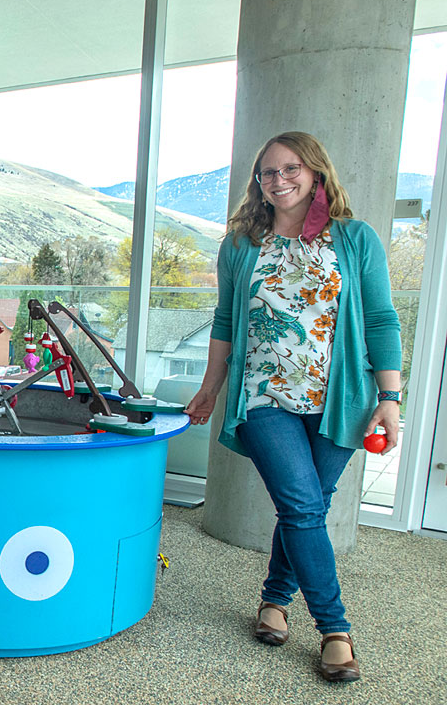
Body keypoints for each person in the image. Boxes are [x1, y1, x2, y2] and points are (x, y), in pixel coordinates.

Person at [184, 131, 401, 684]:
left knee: (306, 508)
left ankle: (274, 600)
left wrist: (390, 399)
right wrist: (211, 388)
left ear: (315, 172)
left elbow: (380, 320)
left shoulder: (354, 239)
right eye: (267, 173)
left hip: (339, 401)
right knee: (304, 508)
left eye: (290, 169)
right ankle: (335, 630)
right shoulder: (241, 243)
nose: (277, 180)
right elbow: (227, 321)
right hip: (263, 397)